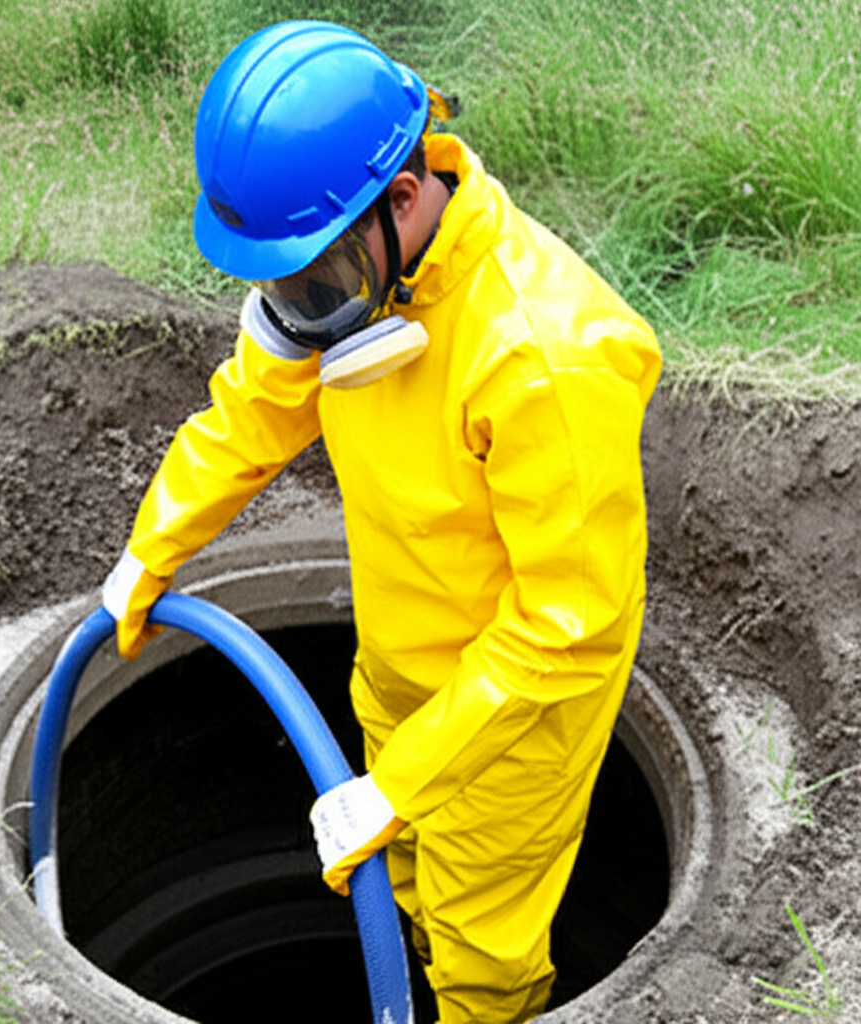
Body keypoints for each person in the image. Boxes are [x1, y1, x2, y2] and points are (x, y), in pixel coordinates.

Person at [103, 20, 661, 1024]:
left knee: (482, 951)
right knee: (398, 884)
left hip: (512, 725)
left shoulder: (544, 359)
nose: (296, 303)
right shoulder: (348, 284)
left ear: (404, 199)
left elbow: (567, 629)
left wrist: (400, 781)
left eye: (311, 272)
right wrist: (153, 549)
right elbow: (251, 412)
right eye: (276, 276)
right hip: (400, 671)